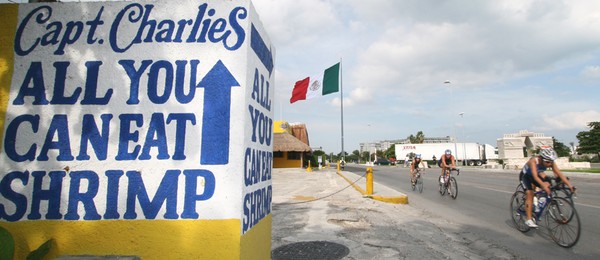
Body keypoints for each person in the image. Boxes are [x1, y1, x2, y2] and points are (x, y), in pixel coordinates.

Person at [519, 147, 575, 228]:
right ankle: (528, 219)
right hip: (526, 176)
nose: (549, 164)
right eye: (547, 162)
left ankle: (540, 201)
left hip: (538, 175)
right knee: (530, 193)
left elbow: (559, 173)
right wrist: (543, 185)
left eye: (551, 162)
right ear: (541, 158)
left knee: (549, 184)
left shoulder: (551, 162)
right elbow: (535, 177)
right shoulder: (534, 161)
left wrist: (570, 185)